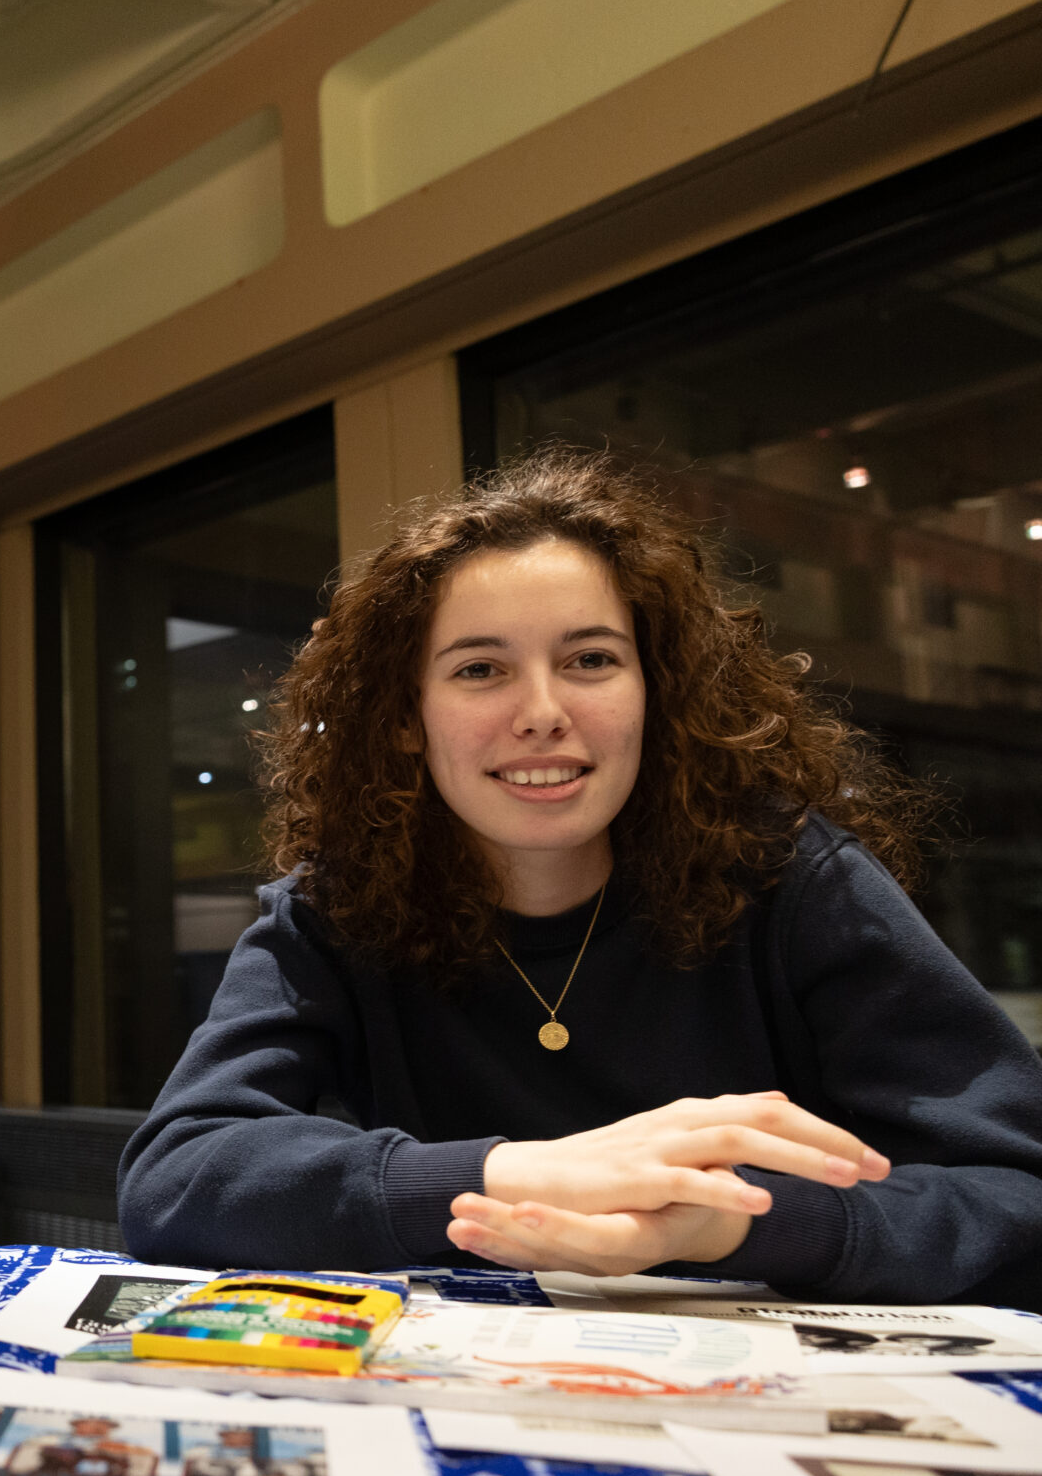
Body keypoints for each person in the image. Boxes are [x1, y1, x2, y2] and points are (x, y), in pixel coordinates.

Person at [115, 450, 1042, 1305]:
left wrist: (735, 1225)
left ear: (654, 691)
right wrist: (516, 1169)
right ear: (405, 718)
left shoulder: (796, 881)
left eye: (590, 660)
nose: (543, 713)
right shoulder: (332, 913)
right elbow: (179, 1173)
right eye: (481, 669)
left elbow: (1012, 1188)